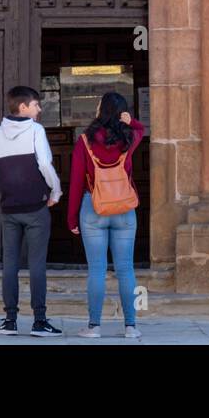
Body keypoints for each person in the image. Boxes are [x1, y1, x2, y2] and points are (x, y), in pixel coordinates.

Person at [68, 91, 146, 339]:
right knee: (126, 269)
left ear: (102, 110)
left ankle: (94, 327)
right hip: (124, 208)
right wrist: (130, 121)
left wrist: (71, 218)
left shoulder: (85, 141)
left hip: (94, 207)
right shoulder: (129, 137)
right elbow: (142, 129)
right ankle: (131, 327)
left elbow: (76, 181)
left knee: (97, 270)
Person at [0, 85, 63, 337]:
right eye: (36, 104)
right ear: (23, 107)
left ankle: (9, 321)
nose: (39, 109)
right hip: (35, 207)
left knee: (10, 264)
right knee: (36, 263)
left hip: (9, 207)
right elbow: (44, 163)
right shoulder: (35, 129)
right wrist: (56, 192)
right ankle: (39, 321)